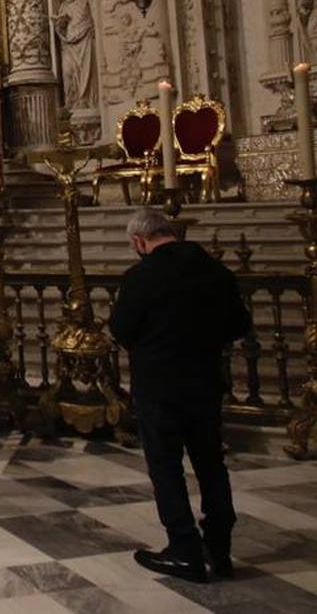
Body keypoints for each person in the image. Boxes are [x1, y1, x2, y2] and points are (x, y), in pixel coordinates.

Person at [110, 208, 251, 583]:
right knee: (210, 463)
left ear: (139, 242)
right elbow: (240, 324)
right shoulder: (215, 271)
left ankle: (184, 549)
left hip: (159, 385)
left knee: (166, 467)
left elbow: (121, 328)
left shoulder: (141, 276)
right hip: (205, 380)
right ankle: (219, 549)